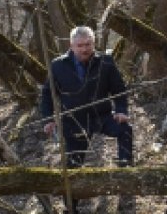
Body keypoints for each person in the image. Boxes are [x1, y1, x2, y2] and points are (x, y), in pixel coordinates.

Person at [39, 26, 133, 168]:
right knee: (74, 165)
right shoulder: (58, 65)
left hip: (102, 115)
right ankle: (74, 186)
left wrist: (121, 110)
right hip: (74, 120)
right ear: (71, 45)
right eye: (80, 46)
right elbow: (47, 94)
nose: (84, 49)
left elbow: (119, 90)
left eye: (88, 45)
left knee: (125, 129)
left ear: (93, 44)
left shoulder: (105, 62)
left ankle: (126, 169)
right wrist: (48, 119)